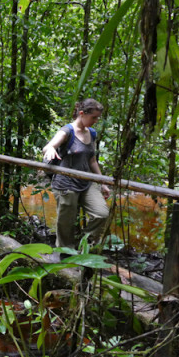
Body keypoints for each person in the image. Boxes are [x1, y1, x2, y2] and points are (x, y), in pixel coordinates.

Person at [42, 98, 111, 250]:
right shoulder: (67, 131)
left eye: (98, 117)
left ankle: (84, 246)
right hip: (66, 185)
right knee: (66, 223)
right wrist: (51, 149)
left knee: (101, 214)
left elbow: (92, 160)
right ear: (82, 113)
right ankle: (64, 252)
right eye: (94, 117)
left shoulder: (92, 133)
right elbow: (48, 147)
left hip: (86, 182)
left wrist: (102, 183)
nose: (96, 120)